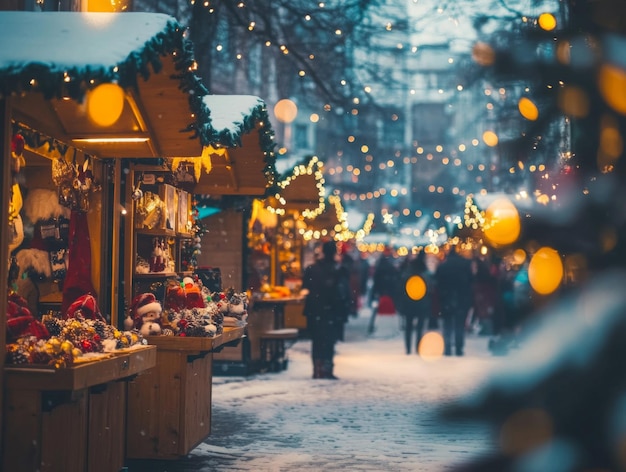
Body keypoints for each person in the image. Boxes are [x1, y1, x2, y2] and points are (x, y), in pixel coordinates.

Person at [301, 241, 350, 379]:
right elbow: (343, 293)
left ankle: (317, 369)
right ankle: (327, 369)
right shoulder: (339, 270)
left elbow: (305, 288)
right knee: (329, 341)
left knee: (317, 341)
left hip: (315, 311)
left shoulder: (312, 269)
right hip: (332, 311)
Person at [434, 245, 474, 356]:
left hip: (447, 298)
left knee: (447, 324)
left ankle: (447, 348)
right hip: (462, 297)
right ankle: (459, 348)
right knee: (459, 324)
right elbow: (471, 281)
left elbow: (437, 282)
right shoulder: (465, 265)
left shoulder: (443, 266)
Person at [395, 251, 434, 355]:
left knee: (408, 327)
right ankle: (418, 348)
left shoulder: (407, 274)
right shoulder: (425, 275)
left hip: (408, 304)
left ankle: (408, 349)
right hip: (422, 304)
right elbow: (430, 289)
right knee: (420, 328)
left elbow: (401, 289)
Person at [368, 246, 399, 334]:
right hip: (387, 290)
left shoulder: (381, 263)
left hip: (382, 290)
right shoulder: (391, 264)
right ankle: (375, 326)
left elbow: (376, 279)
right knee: (387, 308)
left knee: (378, 308)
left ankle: (372, 326)